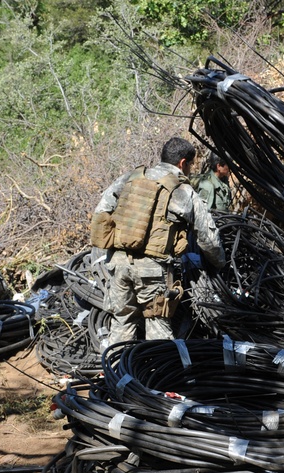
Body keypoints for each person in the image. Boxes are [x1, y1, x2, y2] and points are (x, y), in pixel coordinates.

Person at [90, 137, 226, 345]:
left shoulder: (130, 178)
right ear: (183, 163)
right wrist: (219, 264)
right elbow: (208, 239)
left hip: (117, 264)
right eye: (190, 165)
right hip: (152, 270)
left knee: (122, 323)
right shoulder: (183, 191)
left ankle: (116, 374)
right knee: (157, 326)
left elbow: (102, 212)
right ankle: (158, 375)